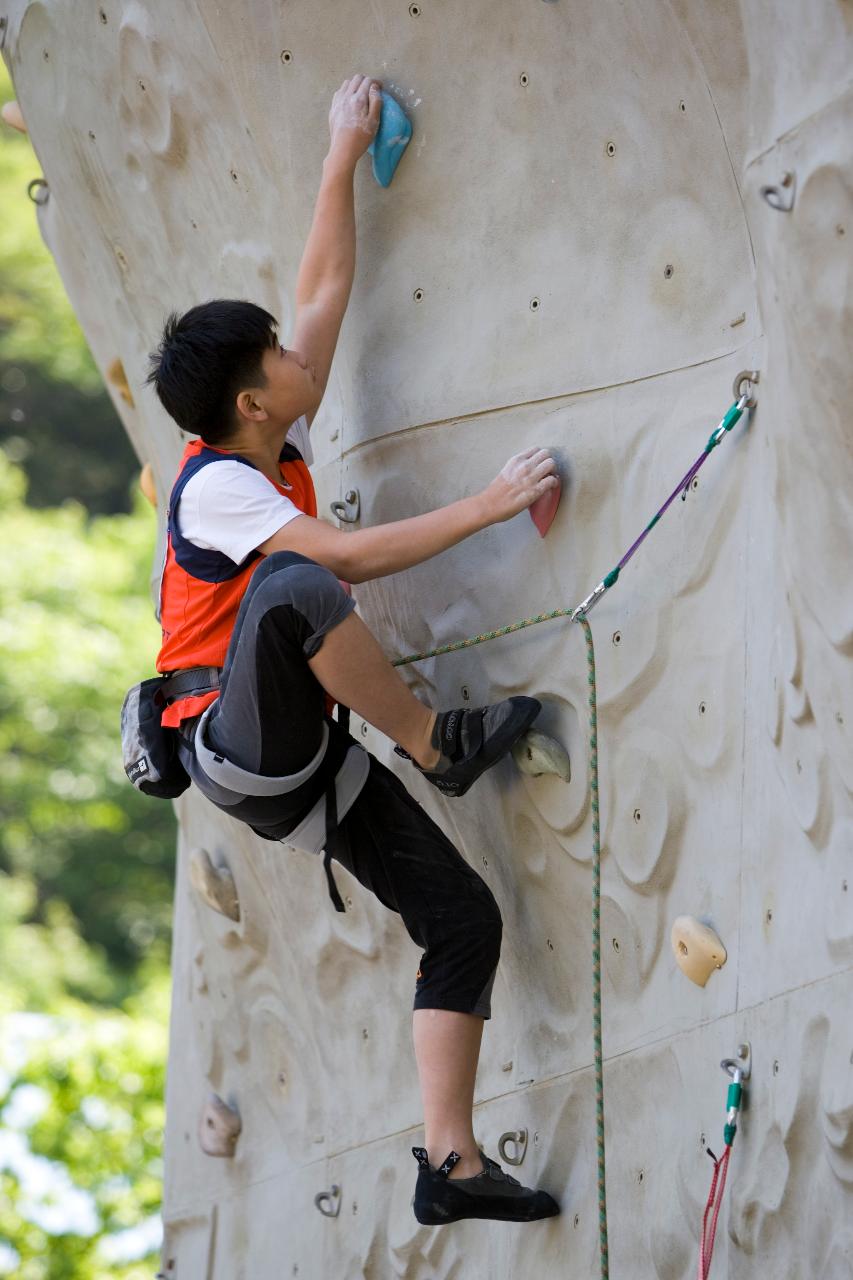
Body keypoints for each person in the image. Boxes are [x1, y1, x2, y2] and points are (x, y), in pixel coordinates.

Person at [146, 74, 560, 1225]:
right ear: (249, 395)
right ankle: (437, 744)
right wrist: (487, 504)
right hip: (238, 743)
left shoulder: (261, 437)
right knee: (295, 587)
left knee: (463, 917)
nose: (296, 353)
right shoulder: (224, 489)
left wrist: (342, 150)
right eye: (276, 353)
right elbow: (344, 565)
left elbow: (322, 284)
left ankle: (449, 1162)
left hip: (299, 755)